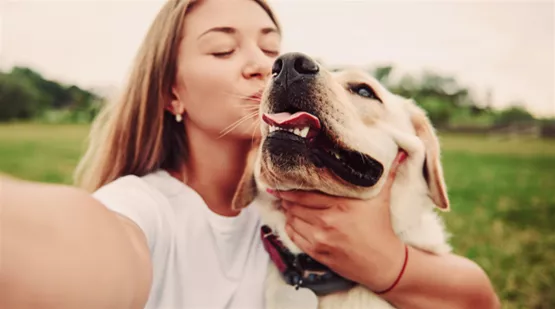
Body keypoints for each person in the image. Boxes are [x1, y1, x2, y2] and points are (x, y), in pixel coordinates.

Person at [0, 0, 501, 308]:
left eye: (271, 48)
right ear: (172, 94)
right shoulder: (148, 211)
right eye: (222, 50)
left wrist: (385, 261)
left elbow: (477, 298)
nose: (265, 67)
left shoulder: (290, 209)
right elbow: (84, 245)